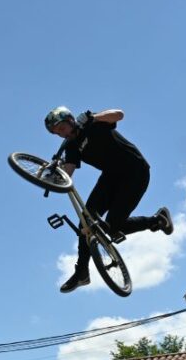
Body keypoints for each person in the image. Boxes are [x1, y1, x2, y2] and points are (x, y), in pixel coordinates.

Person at [43, 106, 173, 293]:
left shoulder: (93, 124)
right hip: (111, 177)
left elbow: (119, 114)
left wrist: (94, 118)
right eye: (57, 133)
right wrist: (52, 175)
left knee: (113, 224)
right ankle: (81, 273)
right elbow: (68, 174)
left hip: (135, 171)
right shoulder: (71, 146)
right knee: (86, 222)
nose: (61, 135)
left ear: (70, 120)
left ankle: (157, 221)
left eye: (61, 128)